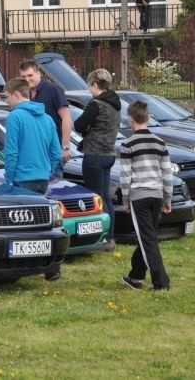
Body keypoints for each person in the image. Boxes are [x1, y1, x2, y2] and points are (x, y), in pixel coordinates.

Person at [120, 100, 172, 291]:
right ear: (149, 118)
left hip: (139, 197)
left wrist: (125, 200)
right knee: (147, 236)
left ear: (129, 119)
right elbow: (167, 173)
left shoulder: (128, 144)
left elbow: (125, 176)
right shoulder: (160, 142)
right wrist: (167, 198)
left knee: (147, 238)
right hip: (157, 195)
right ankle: (136, 275)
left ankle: (161, 282)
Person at [73, 69, 121, 251]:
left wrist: (87, 129)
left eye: (89, 87)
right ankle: (110, 237)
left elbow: (79, 125)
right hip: (109, 154)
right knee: (106, 197)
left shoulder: (96, 104)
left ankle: (101, 238)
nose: (89, 91)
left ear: (95, 84)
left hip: (94, 154)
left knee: (96, 198)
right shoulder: (116, 104)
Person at [3, 78, 61, 196]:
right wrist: (47, 172)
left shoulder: (14, 116)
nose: (6, 101)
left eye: (7, 96)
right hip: (43, 179)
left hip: (22, 179)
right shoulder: (48, 119)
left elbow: (11, 152)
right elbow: (56, 153)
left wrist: (9, 179)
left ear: (16, 94)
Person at [19, 60, 72, 179]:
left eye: (30, 75)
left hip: (52, 151)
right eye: (23, 76)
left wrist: (66, 147)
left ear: (39, 73)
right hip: (33, 153)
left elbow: (66, 118)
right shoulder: (24, 93)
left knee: (53, 190)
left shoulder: (52, 89)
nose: (27, 79)